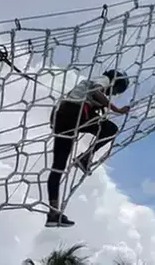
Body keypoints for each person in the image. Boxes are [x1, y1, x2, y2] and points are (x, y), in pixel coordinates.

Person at [46, 69, 131, 228]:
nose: (112, 93)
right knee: (110, 129)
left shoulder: (79, 89)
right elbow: (97, 91)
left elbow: (91, 96)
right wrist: (116, 109)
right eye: (115, 90)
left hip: (62, 118)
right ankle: (85, 157)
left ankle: (53, 212)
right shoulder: (104, 78)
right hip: (76, 112)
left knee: (58, 167)